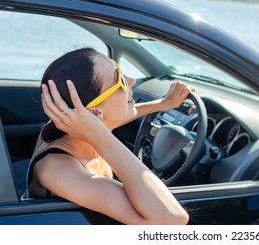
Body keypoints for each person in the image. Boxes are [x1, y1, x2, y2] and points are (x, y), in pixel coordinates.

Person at [27, 47, 194, 225]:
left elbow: (112, 119)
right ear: (94, 112)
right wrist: (100, 136)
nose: (132, 80)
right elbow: (172, 221)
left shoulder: (69, 129)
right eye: (120, 80)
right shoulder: (59, 170)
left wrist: (164, 104)